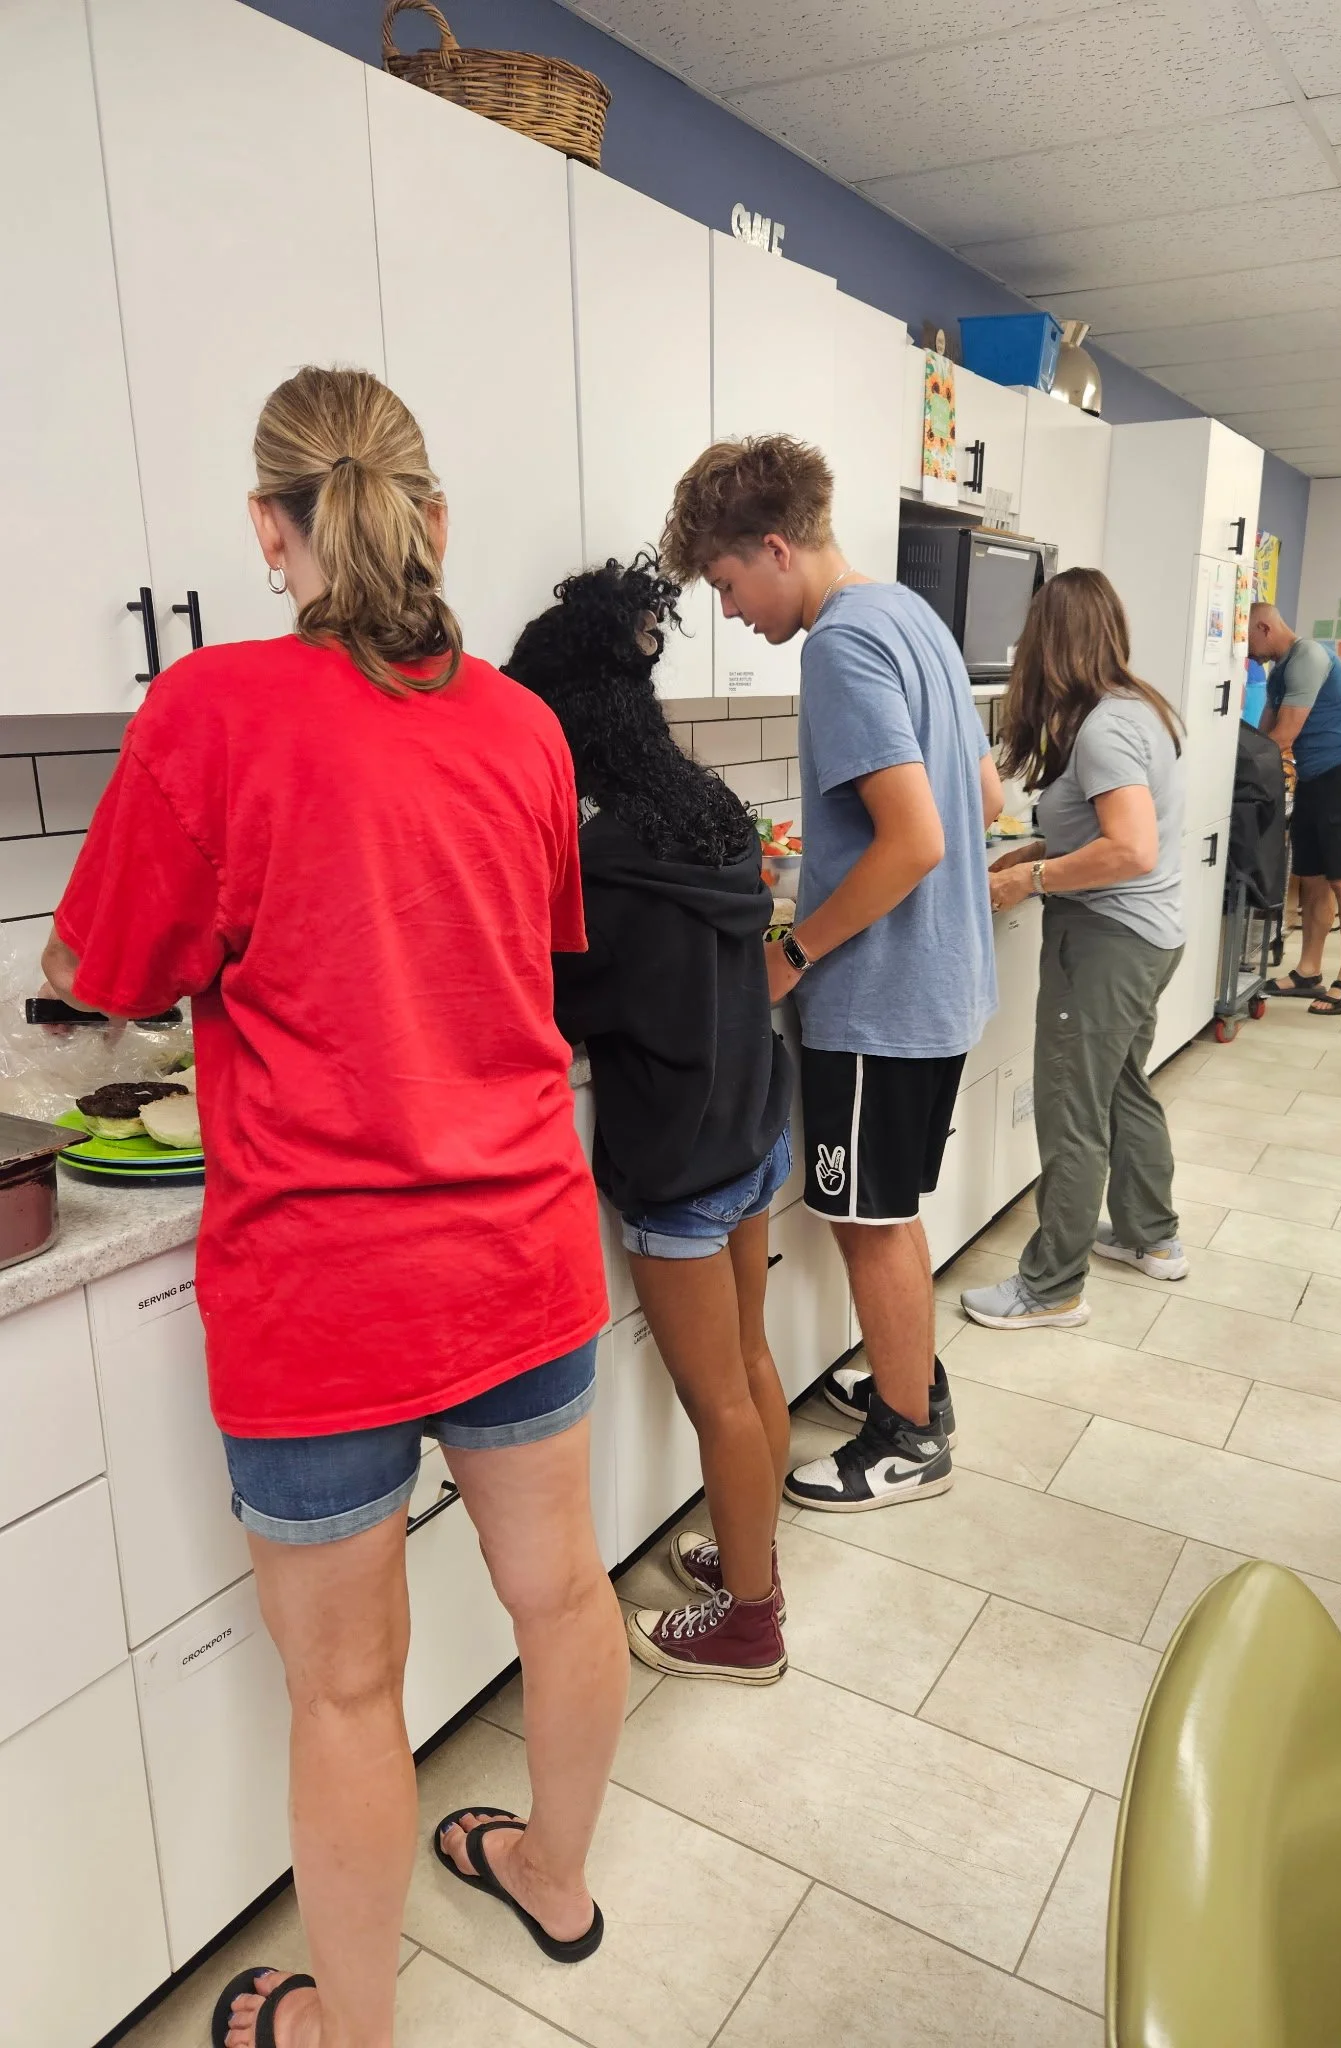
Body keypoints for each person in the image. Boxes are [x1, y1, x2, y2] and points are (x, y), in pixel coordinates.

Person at [41, 368, 629, 2048]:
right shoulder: (524, 726)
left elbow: (102, 972)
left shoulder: (207, 713)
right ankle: (557, 1876)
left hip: (323, 1287)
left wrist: (87, 964)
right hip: (518, 1247)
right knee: (564, 1590)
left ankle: (344, 2032)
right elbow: (512, 952)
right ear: (433, 517)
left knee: (348, 1690)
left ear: (267, 530)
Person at [661, 436, 1002, 1513]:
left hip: (880, 995)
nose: (729, 610)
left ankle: (906, 1437)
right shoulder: (910, 616)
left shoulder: (841, 647)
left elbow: (918, 840)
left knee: (867, 1217)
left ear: (773, 547)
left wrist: (793, 949)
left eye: (724, 583)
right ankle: (913, 1382)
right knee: (888, 1206)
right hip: (938, 980)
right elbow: (982, 800)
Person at [508, 552, 793, 1683]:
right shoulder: (710, 809)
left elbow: (566, 999)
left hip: (677, 1157)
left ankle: (751, 1623)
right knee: (755, 1363)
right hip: (750, 1127)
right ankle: (753, 1559)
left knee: (713, 1394)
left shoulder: (601, 853)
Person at [959, 567, 1188, 1332]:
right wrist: (1029, 857)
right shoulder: (1132, 709)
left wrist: (1032, 881)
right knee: (1123, 1086)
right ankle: (1150, 1237)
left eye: (1031, 634)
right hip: (1151, 934)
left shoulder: (1104, 729)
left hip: (1110, 941)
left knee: (1072, 1108)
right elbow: (1108, 835)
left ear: (1051, 642)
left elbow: (1130, 849)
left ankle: (1051, 1286)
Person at [1250, 601, 1341, 1015]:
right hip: (1313, 778)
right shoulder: (1278, 671)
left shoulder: (1308, 657)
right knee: (1312, 878)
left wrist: (1240, 768)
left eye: (1248, 639)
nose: (1246, 651)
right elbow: (1263, 734)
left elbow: (1284, 735)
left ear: (1266, 627)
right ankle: (1308, 971)